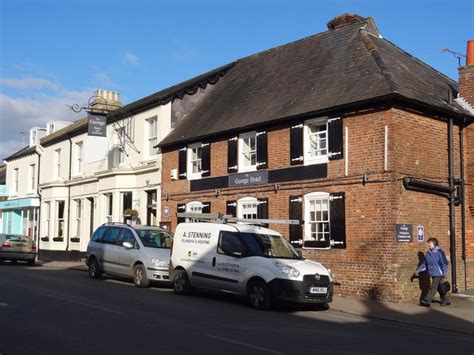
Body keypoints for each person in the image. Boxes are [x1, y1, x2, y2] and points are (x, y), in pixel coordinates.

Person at [414, 238, 450, 307]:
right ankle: (446, 300)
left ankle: (427, 301)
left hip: (439, 273)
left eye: (429, 243)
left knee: (433, 287)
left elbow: (444, 263)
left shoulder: (440, 252)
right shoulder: (428, 253)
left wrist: (444, 273)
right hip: (432, 273)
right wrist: (418, 271)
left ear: (434, 244)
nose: (428, 245)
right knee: (439, 287)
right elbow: (424, 264)